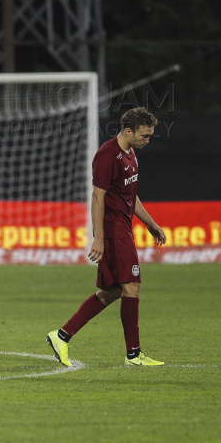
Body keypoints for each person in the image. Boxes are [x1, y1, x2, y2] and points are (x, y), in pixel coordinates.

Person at [46, 107, 167, 367]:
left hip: (123, 227)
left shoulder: (131, 154)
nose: (148, 140)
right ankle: (133, 354)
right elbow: (97, 196)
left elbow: (130, 196)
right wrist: (98, 237)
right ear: (127, 131)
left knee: (112, 290)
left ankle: (61, 335)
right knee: (131, 285)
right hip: (112, 230)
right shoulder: (108, 155)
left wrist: (151, 223)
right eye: (144, 135)